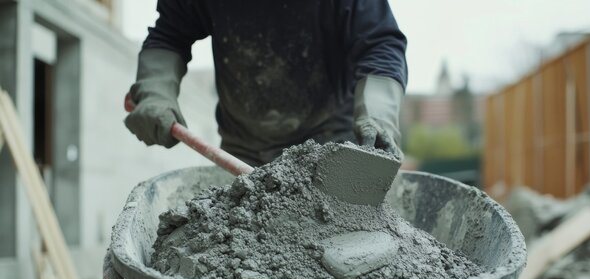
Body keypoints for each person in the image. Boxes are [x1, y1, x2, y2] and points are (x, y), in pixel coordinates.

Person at [124, 0, 407, 166]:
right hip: (242, 156)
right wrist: (155, 92)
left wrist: (378, 116)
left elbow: (380, 45)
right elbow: (170, 36)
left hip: (333, 155)